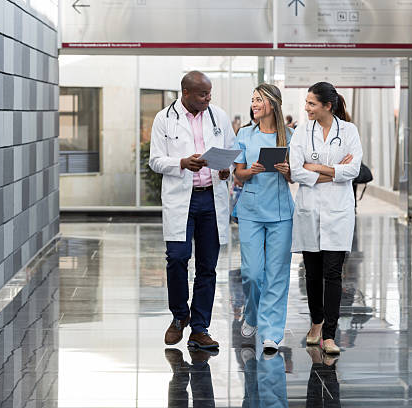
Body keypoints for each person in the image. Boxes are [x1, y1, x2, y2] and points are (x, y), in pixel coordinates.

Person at [149, 71, 236, 350]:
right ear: (185, 93)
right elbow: (155, 161)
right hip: (181, 200)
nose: (208, 98)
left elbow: (233, 152)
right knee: (176, 259)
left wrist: (226, 169)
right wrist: (182, 163)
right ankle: (179, 316)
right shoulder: (164, 118)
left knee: (207, 267)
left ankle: (200, 328)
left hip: (211, 199)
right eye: (202, 94)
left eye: (210, 93)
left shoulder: (218, 116)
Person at [289, 82, 363, 355]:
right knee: (313, 273)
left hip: (338, 211)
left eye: (311, 104)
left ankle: (329, 334)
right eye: (306, 103)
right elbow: (296, 171)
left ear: (327, 106)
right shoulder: (301, 131)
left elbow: (353, 169)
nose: (306, 108)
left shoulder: (349, 131)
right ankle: (316, 323)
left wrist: (317, 167)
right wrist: (333, 171)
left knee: (333, 273)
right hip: (310, 210)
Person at [232, 84, 294, 352]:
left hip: (281, 212)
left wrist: (287, 170)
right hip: (251, 211)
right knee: (253, 273)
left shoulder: (290, 136)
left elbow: (295, 176)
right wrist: (252, 170)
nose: (254, 104)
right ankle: (252, 314)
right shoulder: (245, 134)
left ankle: (272, 333)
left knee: (277, 274)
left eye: (259, 100)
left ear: (272, 104)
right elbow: (238, 174)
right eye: (253, 99)